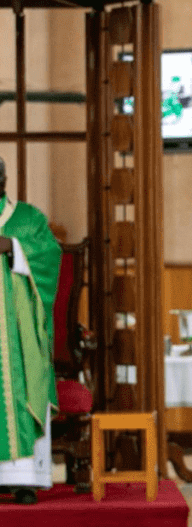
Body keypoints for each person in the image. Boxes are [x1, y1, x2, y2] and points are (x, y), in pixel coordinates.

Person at [0, 156, 61, 504]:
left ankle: (24, 479)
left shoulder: (28, 220)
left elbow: (50, 255)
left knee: (24, 382)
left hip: (18, 336)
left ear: (6, 178)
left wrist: (14, 247)